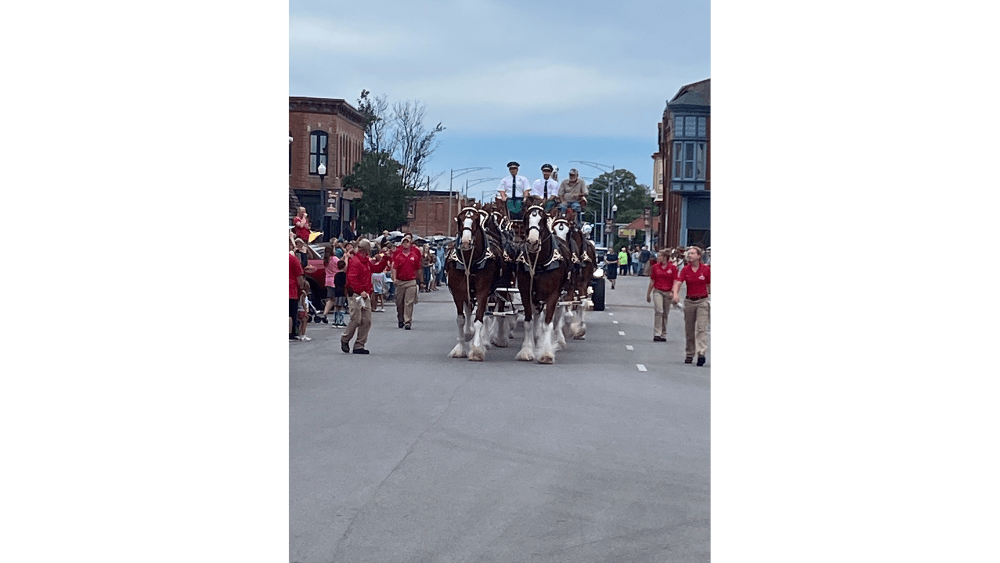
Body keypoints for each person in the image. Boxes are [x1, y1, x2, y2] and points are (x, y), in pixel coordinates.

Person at [340, 239, 389, 354]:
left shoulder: (366, 261)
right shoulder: (356, 261)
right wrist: (360, 290)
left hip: (365, 294)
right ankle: (345, 338)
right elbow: (352, 278)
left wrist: (384, 260)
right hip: (356, 294)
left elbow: (376, 269)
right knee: (356, 319)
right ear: (365, 249)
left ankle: (359, 345)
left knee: (366, 320)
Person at [672, 246, 711, 366]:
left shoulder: (706, 269)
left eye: (693, 254)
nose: (690, 256)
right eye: (689, 254)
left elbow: (710, 284)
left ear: (699, 256)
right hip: (689, 301)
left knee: (701, 328)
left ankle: (701, 353)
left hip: (702, 301)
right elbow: (678, 282)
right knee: (689, 329)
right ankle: (690, 353)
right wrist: (675, 294)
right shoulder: (685, 270)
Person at [646, 249, 679, 342]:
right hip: (658, 290)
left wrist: (673, 292)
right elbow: (652, 280)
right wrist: (648, 293)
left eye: (660, 256)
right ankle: (657, 333)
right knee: (659, 311)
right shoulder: (655, 267)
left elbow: (675, 281)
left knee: (665, 313)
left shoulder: (672, 268)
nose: (658, 257)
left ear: (665, 257)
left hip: (668, 291)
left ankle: (663, 333)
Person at [392, 232, 421, 329]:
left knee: (409, 302)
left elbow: (418, 268)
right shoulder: (398, 256)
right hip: (400, 282)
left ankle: (408, 321)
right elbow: (394, 268)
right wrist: (394, 278)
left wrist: (420, 280)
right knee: (399, 303)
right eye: (404, 242)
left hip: (411, 282)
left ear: (410, 244)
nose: (405, 244)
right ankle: (401, 319)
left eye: (407, 242)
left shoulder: (414, 256)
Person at [319, 242, 340, 323]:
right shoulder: (334, 259)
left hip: (328, 279)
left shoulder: (326, 259)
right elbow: (341, 265)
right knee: (334, 299)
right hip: (335, 280)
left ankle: (325, 313)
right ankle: (327, 314)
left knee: (330, 298)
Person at [289, 245, 305, 341]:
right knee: (291, 313)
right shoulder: (293, 259)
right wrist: (301, 288)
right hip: (291, 289)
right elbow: (299, 276)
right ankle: (291, 332)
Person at [331, 259, 347, 326]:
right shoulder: (344, 275)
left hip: (336, 291)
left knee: (336, 306)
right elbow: (345, 284)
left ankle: (335, 320)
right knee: (341, 307)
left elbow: (335, 283)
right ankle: (341, 321)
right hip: (342, 291)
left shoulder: (336, 275)